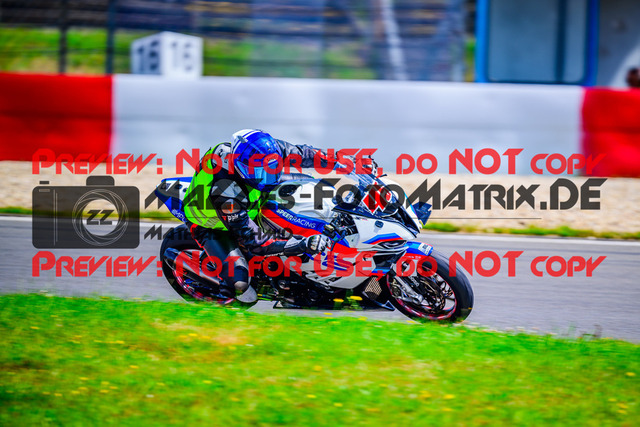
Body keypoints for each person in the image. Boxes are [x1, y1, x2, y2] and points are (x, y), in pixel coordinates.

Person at [182, 129, 333, 304]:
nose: (265, 177)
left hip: (246, 199)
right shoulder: (226, 193)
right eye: (258, 171)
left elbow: (302, 153)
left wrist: (343, 161)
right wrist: (301, 244)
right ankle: (219, 296)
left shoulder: (262, 151)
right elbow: (255, 242)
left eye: (271, 168)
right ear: (240, 166)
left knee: (309, 182)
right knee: (240, 287)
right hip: (211, 225)